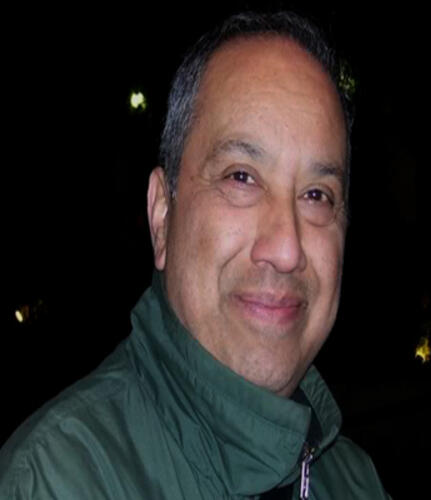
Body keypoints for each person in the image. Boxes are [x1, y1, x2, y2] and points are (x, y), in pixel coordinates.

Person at [0, 11, 391, 499]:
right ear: (162, 216)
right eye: (241, 177)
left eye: (317, 195)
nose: (287, 249)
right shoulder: (55, 482)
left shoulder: (355, 483)